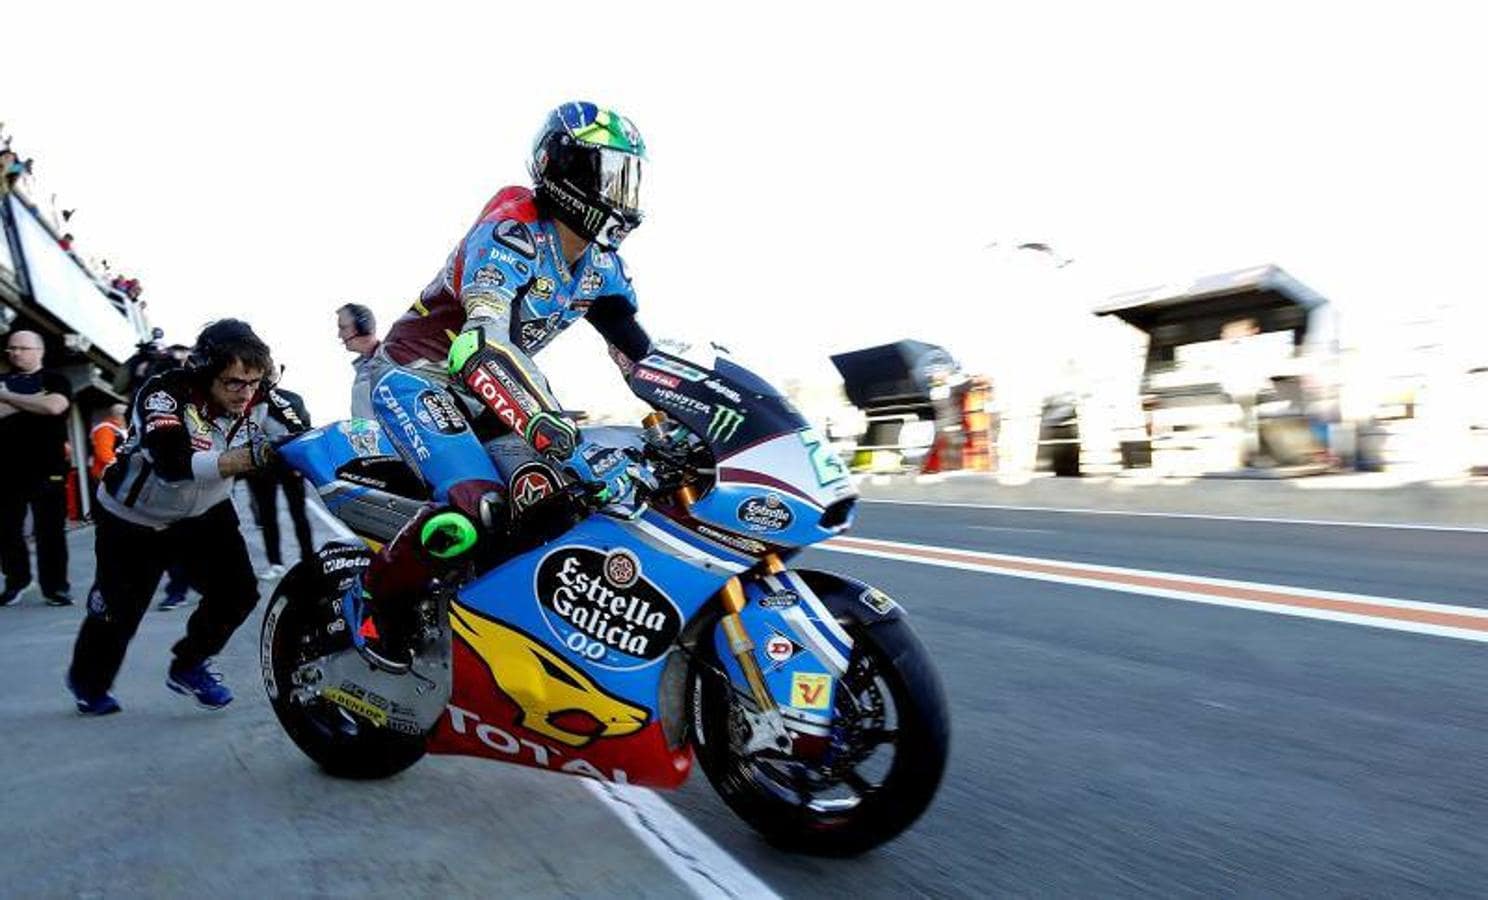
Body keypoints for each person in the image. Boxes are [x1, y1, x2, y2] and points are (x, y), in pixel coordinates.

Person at [354, 101, 654, 654]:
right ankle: (375, 607)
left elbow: (638, 355)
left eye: (629, 179)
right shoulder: (511, 230)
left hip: (491, 389)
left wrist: (686, 418)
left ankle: (492, 623)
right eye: (608, 175)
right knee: (480, 507)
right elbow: (479, 344)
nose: (620, 194)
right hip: (421, 376)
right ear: (565, 172)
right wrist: (551, 426)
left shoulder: (602, 264)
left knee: (563, 497)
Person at [65, 319, 305, 715]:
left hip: (205, 514)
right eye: (233, 383)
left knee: (239, 593)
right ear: (205, 372)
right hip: (133, 519)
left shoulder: (260, 394)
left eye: (253, 382)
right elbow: (171, 463)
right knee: (119, 611)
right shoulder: (163, 393)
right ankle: (88, 683)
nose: (245, 394)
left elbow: (301, 434)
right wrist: (246, 459)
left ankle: (189, 664)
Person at [0, 330, 74, 607]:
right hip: (5, 469)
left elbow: (55, 407)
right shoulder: (2, 381)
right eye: (11, 349)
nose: (16, 353)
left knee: (50, 531)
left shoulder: (56, 379)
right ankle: (16, 581)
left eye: (22, 348)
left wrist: (8, 398)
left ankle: (55, 587)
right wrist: (33, 403)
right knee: (7, 530)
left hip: (47, 466)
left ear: (39, 351)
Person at [244, 376, 314, 579]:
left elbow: (305, 428)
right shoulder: (246, 400)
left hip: (289, 464)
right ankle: (275, 563)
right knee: (268, 516)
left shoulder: (290, 399)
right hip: (261, 467)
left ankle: (308, 558)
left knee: (298, 513)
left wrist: (302, 463)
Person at [336, 303, 380, 421]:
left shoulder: (389, 363)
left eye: (343, 328)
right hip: (368, 437)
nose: (339, 335)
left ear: (363, 327)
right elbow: (362, 418)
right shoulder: (363, 368)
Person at [88, 403, 128, 484]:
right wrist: (122, 467)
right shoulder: (105, 429)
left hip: (114, 473)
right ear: (120, 416)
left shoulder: (118, 429)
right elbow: (104, 454)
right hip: (105, 474)